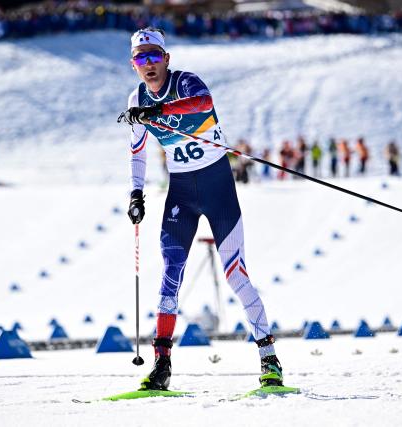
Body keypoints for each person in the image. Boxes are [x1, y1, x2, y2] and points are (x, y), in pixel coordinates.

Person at [118, 28, 283, 391]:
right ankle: (162, 364)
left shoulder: (186, 83)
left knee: (235, 274)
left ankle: (269, 360)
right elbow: (137, 152)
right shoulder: (137, 98)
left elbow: (203, 104)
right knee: (170, 274)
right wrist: (135, 194)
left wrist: (156, 110)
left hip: (218, 186)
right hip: (181, 193)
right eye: (140, 58)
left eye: (154, 56)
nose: (148, 64)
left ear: (166, 58)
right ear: (133, 65)